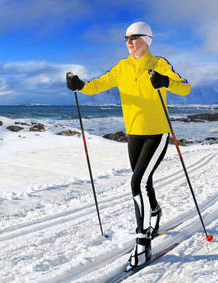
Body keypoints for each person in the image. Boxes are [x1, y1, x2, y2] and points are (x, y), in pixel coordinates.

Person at [66, 21, 190, 268]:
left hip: (158, 133)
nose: (129, 41)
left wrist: (165, 81)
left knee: (137, 182)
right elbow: (97, 85)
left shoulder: (160, 64)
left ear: (147, 39)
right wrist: (79, 85)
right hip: (133, 134)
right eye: (126, 38)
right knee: (145, 182)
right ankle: (154, 212)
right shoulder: (122, 67)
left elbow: (184, 88)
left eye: (134, 37)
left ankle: (142, 241)